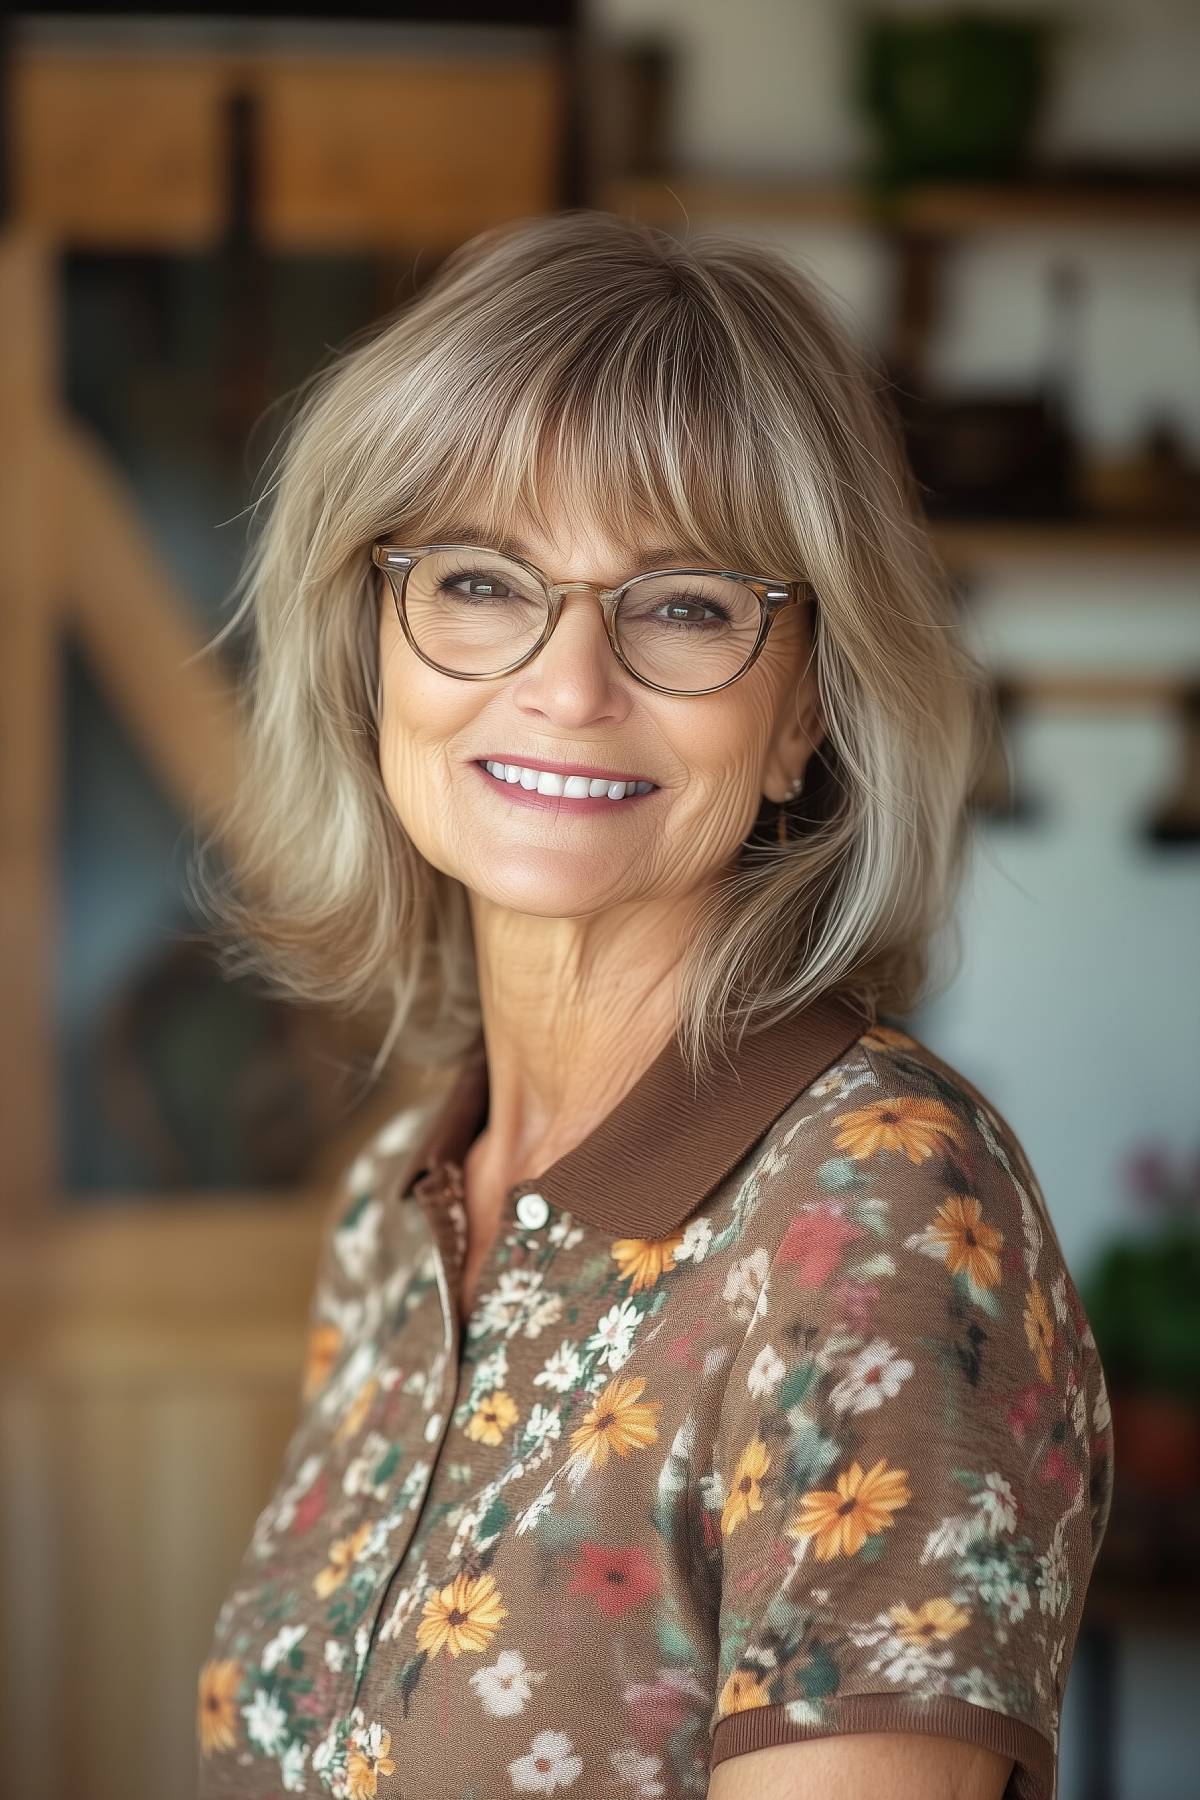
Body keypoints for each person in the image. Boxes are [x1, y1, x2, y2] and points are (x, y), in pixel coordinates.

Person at [193, 210, 1114, 1800]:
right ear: (371, 655)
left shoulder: (882, 1208)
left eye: (683, 604)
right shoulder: (397, 1199)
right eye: (481, 580)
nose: (567, 680)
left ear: (804, 711)